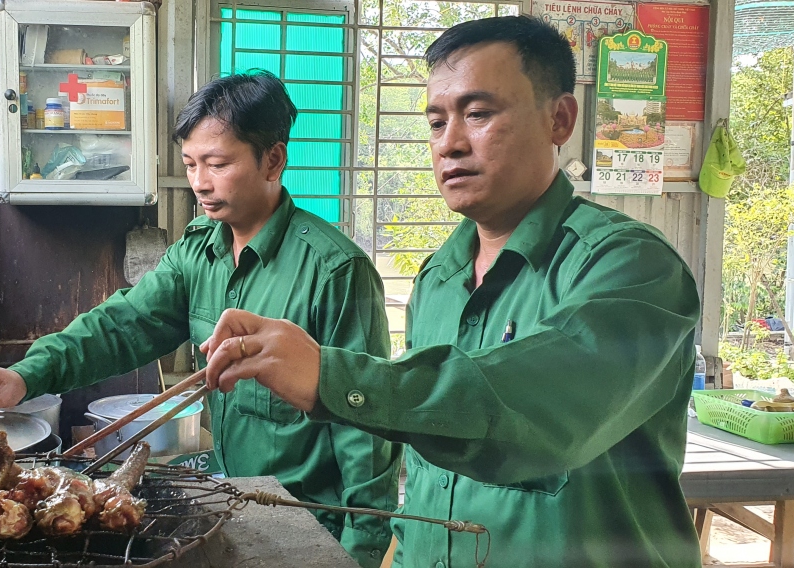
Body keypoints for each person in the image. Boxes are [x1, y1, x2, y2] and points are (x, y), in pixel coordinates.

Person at [198, 17, 702, 568]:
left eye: (479, 114)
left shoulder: (628, 265)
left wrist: (329, 375)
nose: (450, 143)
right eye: (437, 123)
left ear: (559, 119)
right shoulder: (439, 278)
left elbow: (534, 405)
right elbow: (432, 481)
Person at [0, 70, 402, 567]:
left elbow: (369, 432)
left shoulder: (334, 271)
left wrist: (357, 554)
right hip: (230, 503)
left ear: (273, 159)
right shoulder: (198, 251)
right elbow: (121, 324)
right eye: (190, 164)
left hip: (311, 524)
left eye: (217, 163)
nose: (199, 183)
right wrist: (24, 375)